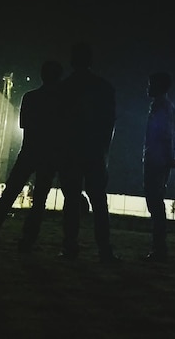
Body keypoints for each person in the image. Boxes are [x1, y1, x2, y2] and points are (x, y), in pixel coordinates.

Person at [0, 60, 63, 251]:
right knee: (39, 201)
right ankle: (28, 240)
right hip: (49, 155)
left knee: (8, 195)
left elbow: (26, 127)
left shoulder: (30, 98)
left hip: (29, 151)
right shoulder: (62, 103)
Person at [59, 42, 119, 263]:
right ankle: (104, 249)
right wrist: (105, 151)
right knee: (99, 201)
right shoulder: (104, 87)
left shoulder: (65, 87)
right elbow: (110, 122)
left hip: (71, 151)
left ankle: (70, 246)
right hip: (94, 151)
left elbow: (60, 122)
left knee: (71, 200)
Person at [143, 72, 175, 262]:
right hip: (160, 160)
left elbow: (165, 135)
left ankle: (159, 249)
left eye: (150, 84)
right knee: (156, 203)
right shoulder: (166, 107)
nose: (147, 87)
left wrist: (166, 158)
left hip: (157, 161)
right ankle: (159, 247)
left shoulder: (161, 107)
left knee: (155, 203)